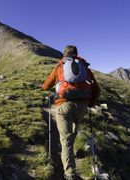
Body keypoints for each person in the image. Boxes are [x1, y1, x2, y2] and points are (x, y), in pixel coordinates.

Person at [42, 45, 101, 180]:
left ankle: (69, 174)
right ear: (76, 54)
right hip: (82, 107)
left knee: (65, 140)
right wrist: (90, 104)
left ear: (64, 54)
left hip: (63, 106)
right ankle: (70, 154)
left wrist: (43, 87)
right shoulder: (85, 68)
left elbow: (47, 84)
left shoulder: (60, 66)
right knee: (72, 133)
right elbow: (97, 90)